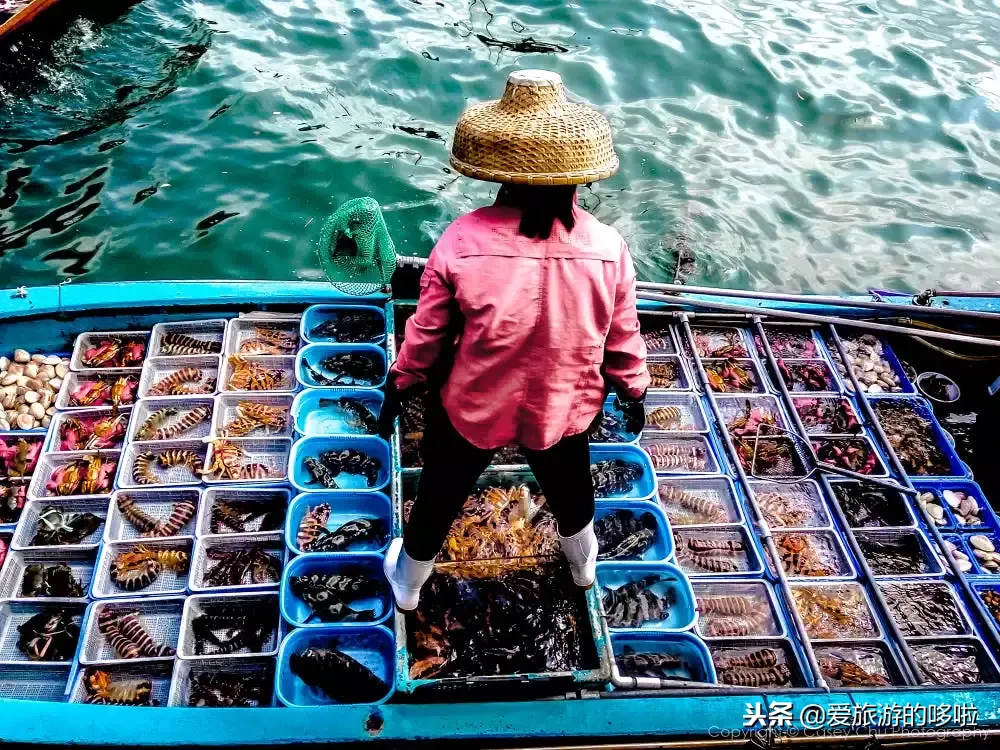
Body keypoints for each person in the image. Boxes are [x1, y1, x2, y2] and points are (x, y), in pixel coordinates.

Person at [378, 70, 650, 610]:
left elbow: (427, 335)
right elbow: (622, 335)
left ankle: (407, 584)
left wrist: (401, 382)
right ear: (580, 179)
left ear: (500, 176)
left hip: (475, 403)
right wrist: (634, 388)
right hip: (563, 405)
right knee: (571, 486)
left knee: (442, 489)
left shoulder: (462, 238)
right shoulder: (608, 245)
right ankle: (583, 567)